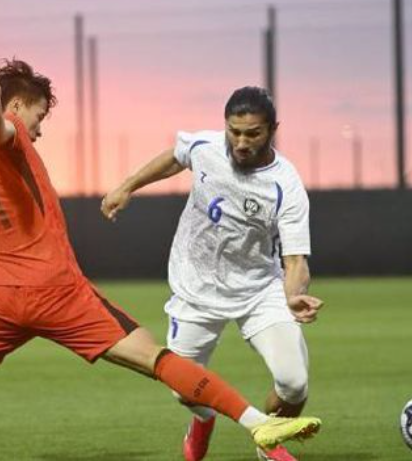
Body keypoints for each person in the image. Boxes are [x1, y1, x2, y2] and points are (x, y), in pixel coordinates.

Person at [0, 62, 320, 461]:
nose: (39, 128)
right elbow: (3, 135)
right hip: (55, 290)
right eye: (39, 115)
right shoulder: (9, 130)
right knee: (157, 360)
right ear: (17, 106)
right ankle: (257, 422)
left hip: (0, 298)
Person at [101, 86, 324, 461]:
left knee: (294, 384)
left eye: (252, 133)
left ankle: (267, 441)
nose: (241, 142)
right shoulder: (206, 146)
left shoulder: (286, 185)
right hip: (196, 289)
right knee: (182, 390)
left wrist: (293, 295)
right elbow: (176, 156)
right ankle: (204, 419)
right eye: (234, 131)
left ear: (273, 130)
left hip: (258, 290)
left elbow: (295, 261)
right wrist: (127, 187)